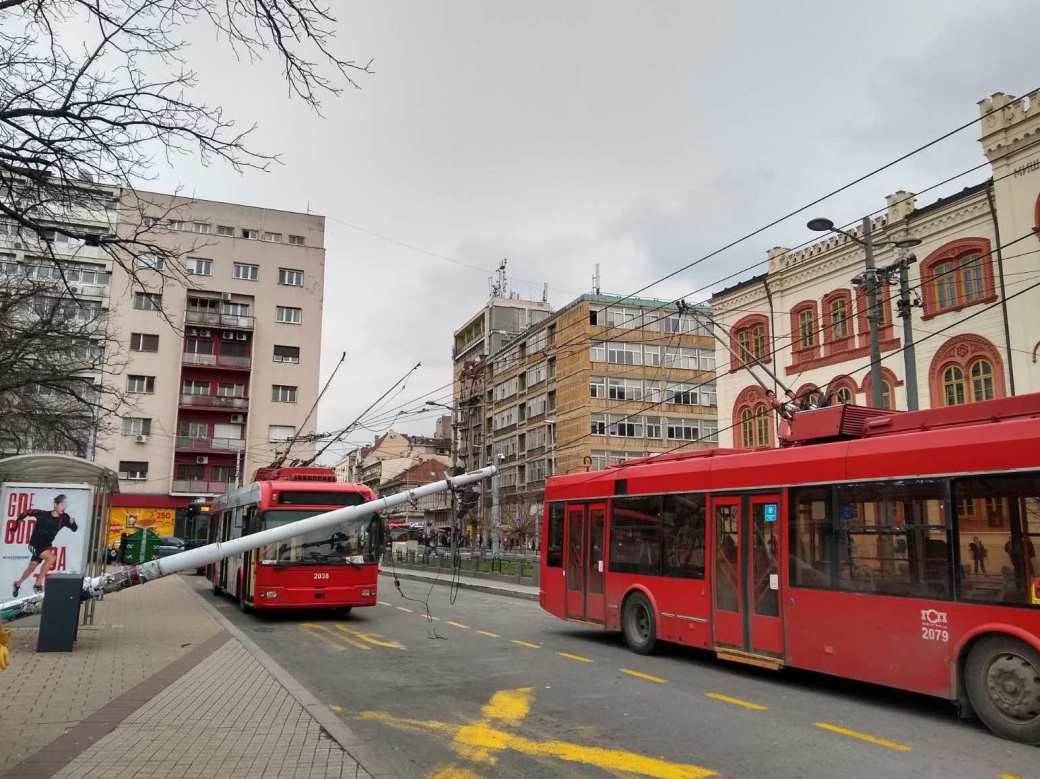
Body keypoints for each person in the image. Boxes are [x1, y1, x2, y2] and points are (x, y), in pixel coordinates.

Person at [11, 494, 78, 597]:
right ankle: (38, 584)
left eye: (65, 505)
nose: (64, 507)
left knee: (31, 568)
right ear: (55, 504)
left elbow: (74, 529)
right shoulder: (42, 514)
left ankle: (17, 584)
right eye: (62, 504)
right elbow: (26, 512)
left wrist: (73, 523)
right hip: (34, 545)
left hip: (45, 547)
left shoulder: (64, 518)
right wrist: (16, 525)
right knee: (51, 558)